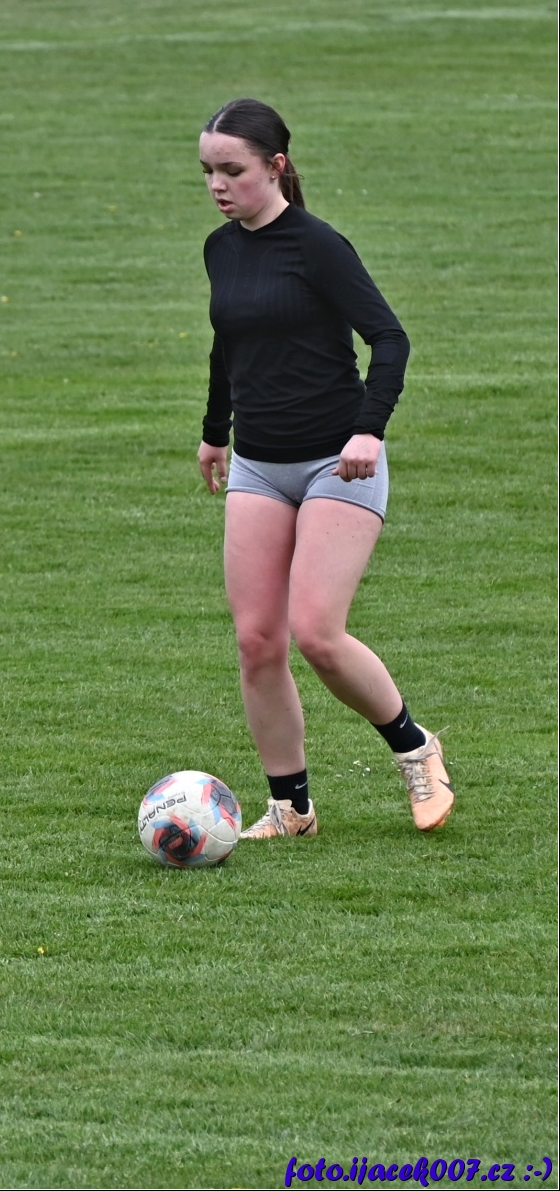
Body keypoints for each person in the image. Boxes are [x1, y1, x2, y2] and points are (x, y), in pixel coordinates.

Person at [194, 98, 453, 839]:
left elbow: (390, 339)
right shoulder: (220, 249)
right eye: (207, 171)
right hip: (258, 463)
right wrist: (215, 434)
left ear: (276, 166)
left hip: (337, 464)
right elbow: (229, 344)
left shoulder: (318, 246)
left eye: (232, 170)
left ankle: (415, 747)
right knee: (257, 643)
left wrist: (369, 429)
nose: (217, 185)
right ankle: (291, 808)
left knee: (316, 631)